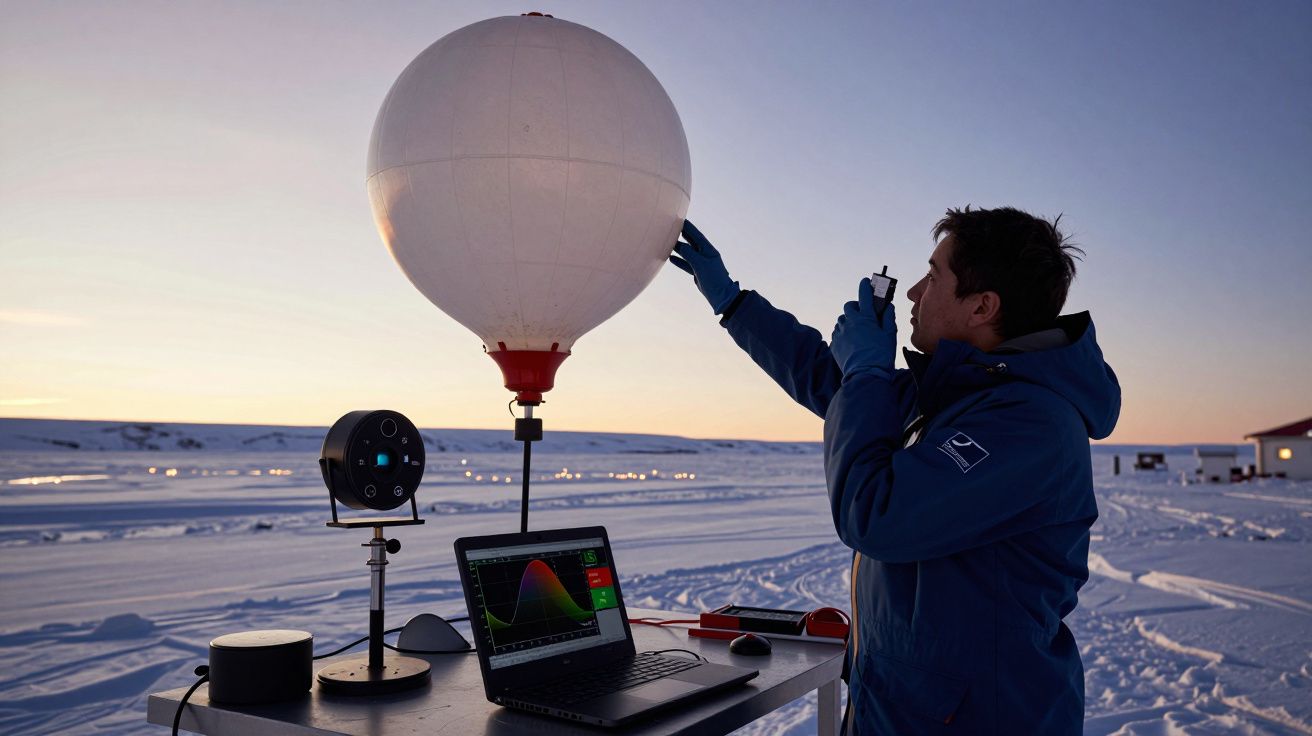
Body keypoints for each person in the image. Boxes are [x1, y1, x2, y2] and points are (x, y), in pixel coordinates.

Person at [669, 206, 1120, 734]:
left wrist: (867, 370)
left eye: (933, 276)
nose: (913, 293)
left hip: (976, 718)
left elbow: (876, 514)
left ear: (982, 306)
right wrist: (734, 302)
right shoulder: (956, 396)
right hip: (902, 706)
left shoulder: (1028, 424)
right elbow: (829, 382)